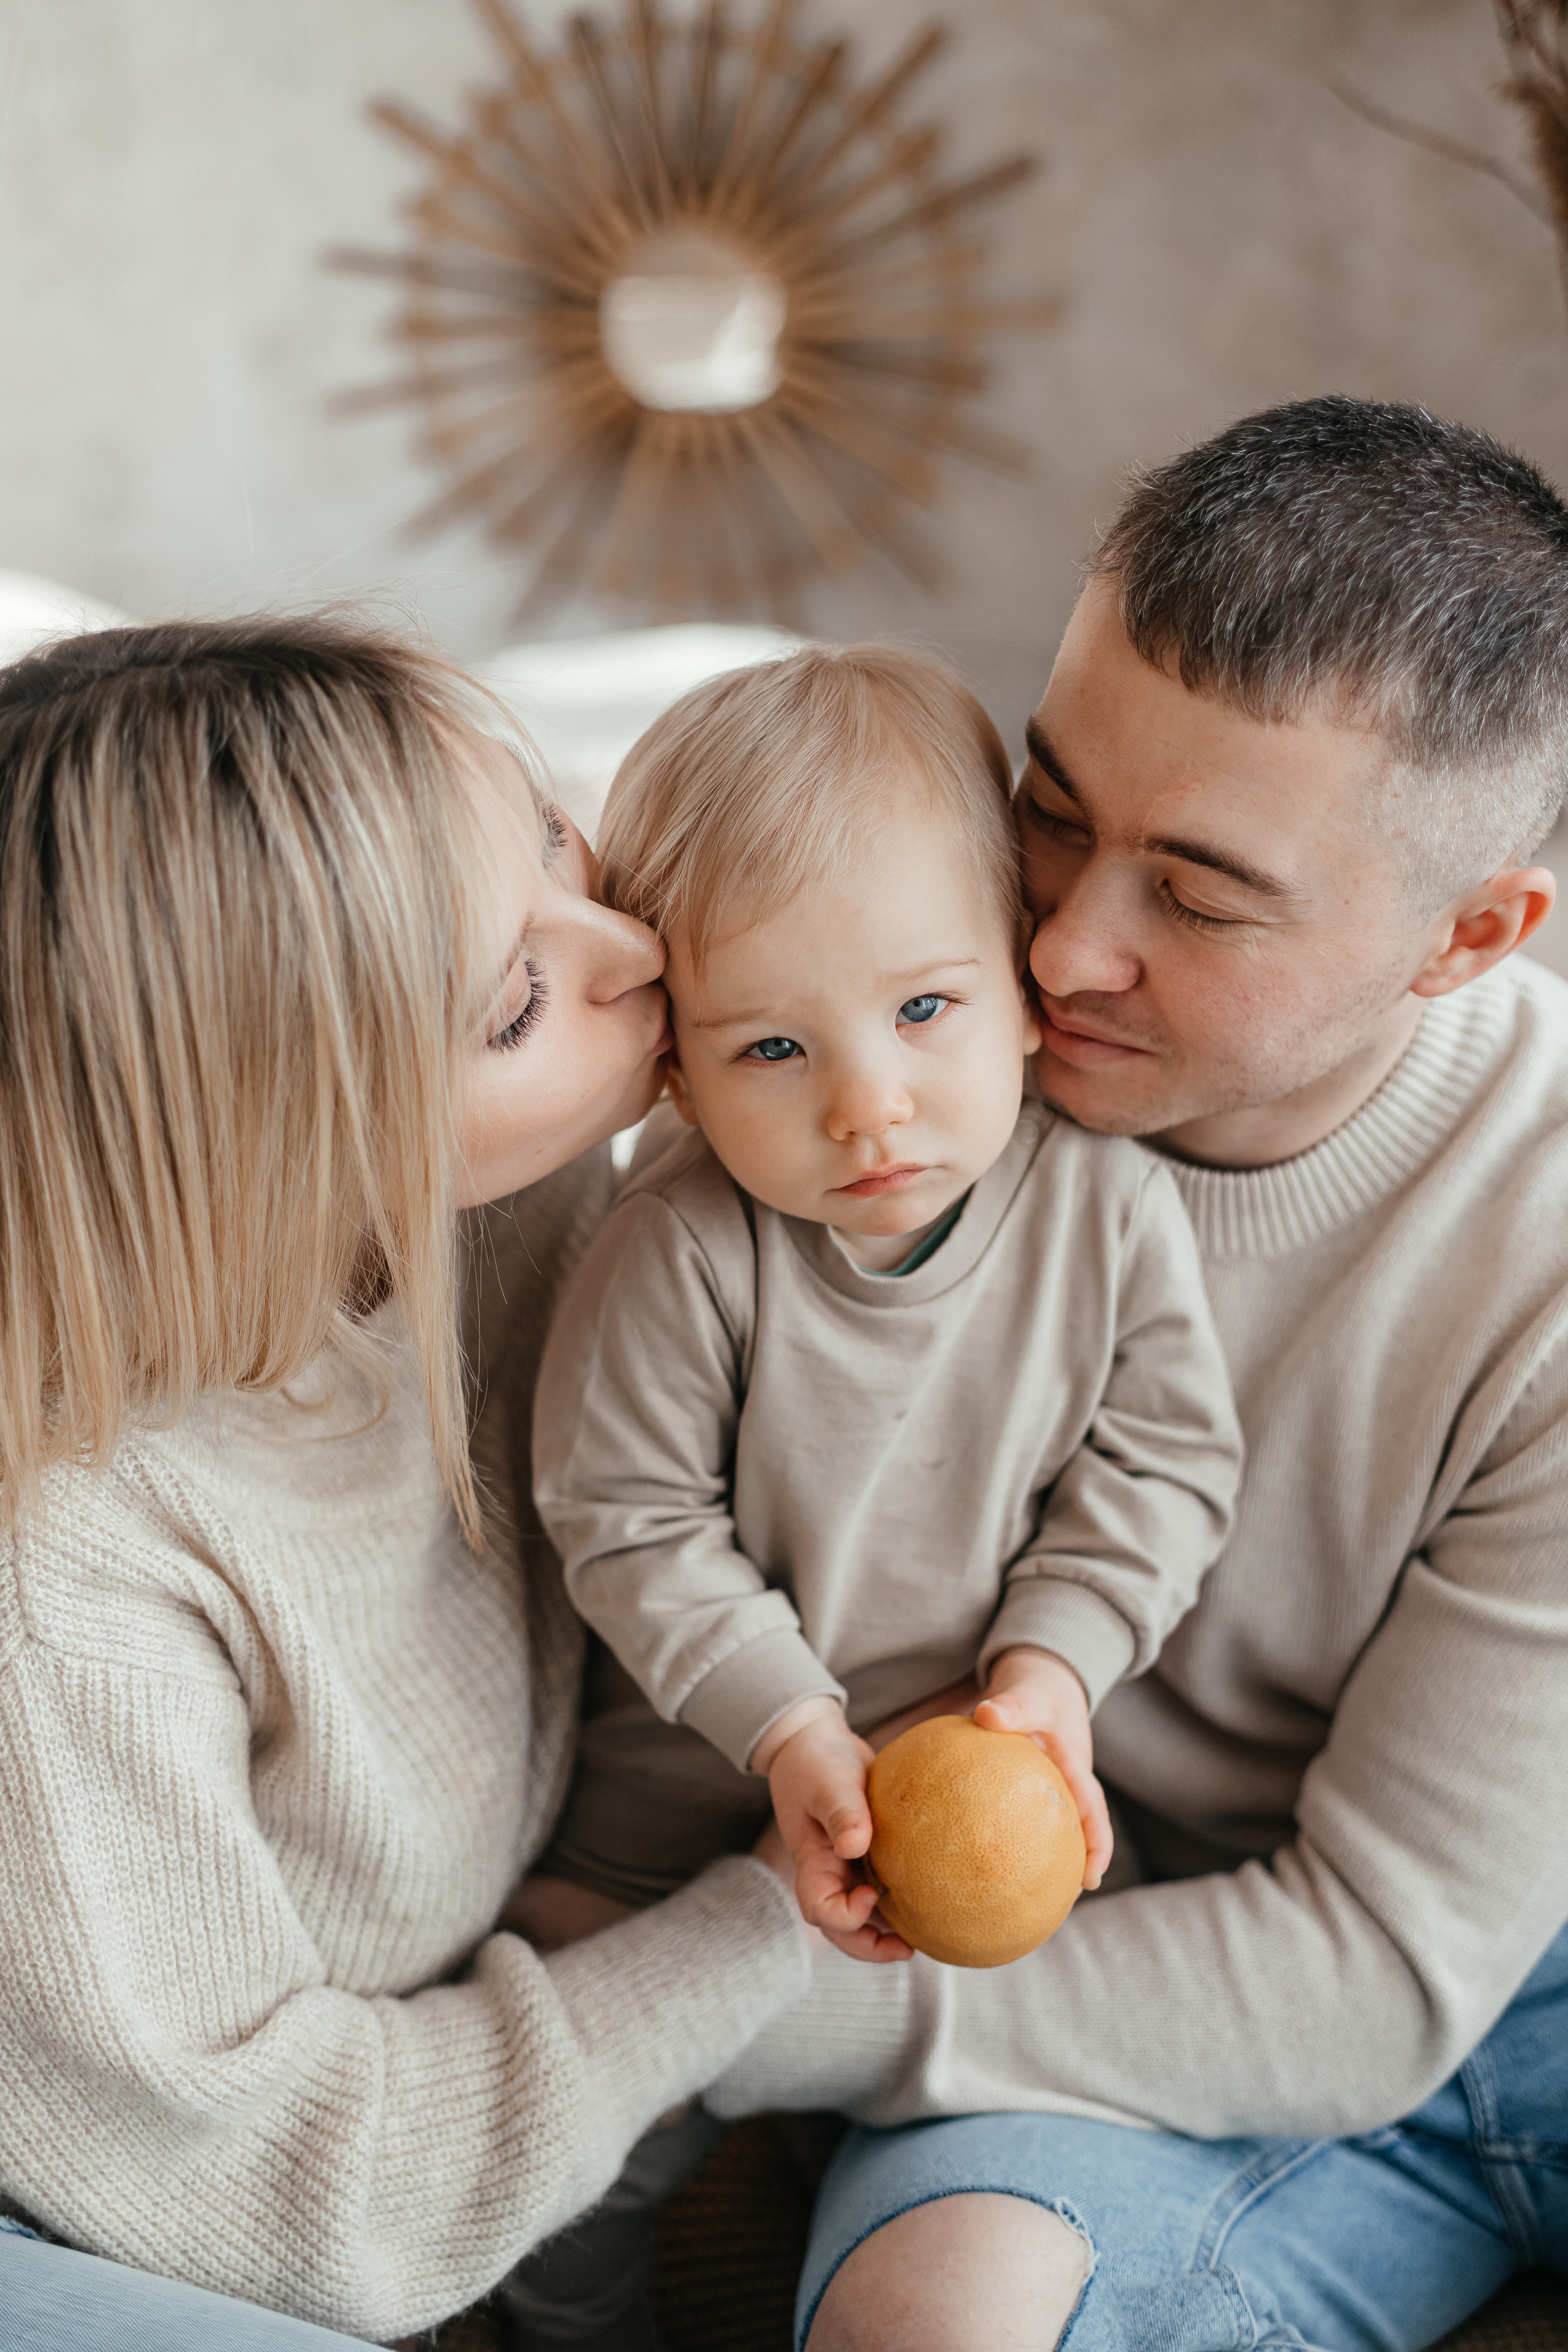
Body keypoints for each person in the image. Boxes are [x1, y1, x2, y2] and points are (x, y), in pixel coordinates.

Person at [703, 398, 1568, 2351]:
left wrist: (705, 2016)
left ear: (1470, 937)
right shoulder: (878, 1090)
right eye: (1056, 808)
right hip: (1121, 1963)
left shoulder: (1543, 1238)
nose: (1068, 949)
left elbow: (1375, 1968)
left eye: (1198, 892)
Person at [0, 618, 812, 2348]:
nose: (632, 951)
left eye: (551, 833)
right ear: (270, 1143)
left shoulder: (514, 1190)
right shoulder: (64, 1587)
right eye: (515, 1002)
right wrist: (761, 1936)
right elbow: (282, 2195)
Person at [528, 644, 1242, 1956]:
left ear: (1025, 989)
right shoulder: (680, 1246)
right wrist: (790, 1725)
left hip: (988, 1774)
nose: (868, 1107)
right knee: (579, 2008)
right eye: (773, 1049)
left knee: (1019, 1992)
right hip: (682, 1790)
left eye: (923, 1007)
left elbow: (1162, 1466)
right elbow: (625, 1521)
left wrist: (1054, 1666)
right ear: (679, 1073)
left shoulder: (1105, 1205)